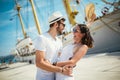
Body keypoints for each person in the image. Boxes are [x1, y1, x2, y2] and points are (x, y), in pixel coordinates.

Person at [34, 11, 71, 80]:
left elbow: (58, 60)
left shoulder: (59, 41)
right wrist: (61, 70)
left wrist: (70, 63)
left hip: (56, 77)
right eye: (63, 25)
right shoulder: (42, 38)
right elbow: (39, 63)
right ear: (56, 24)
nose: (64, 27)